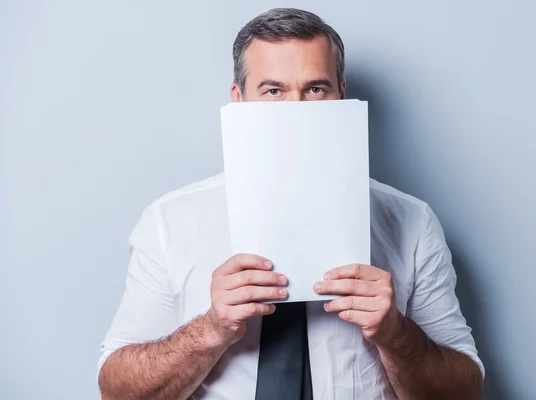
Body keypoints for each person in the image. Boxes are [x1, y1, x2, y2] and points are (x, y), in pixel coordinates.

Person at [98, 8, 484, 400]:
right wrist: (211, 329)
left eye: (315, 89)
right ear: (239, 99)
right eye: (273, 91)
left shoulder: (412, 222)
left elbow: (464, 390)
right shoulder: (170, 222)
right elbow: (117, 392)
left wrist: (393, 333)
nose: (295, 110)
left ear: (340, 96)